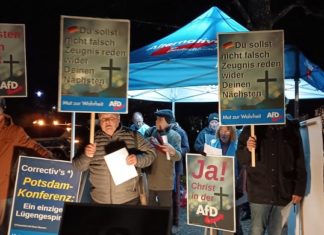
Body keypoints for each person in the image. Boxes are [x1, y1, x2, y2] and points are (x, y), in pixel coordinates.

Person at [236, 114, 307, 235]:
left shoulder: (292, 129)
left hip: (284, 191)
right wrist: (248, 149)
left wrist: (299, 189)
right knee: (256, 231)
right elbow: (241, 159)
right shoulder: (251, 128)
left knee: (278, 232)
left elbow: (299, 161)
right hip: (259, 192)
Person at [72, 112, 156, 205]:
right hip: (99, 201)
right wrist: (86, 155)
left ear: (118, 118)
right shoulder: (91, 139)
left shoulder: (134, 135)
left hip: (129, 200)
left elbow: (152, 153)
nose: (107, 121)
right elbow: (78, 167)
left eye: (111, 117)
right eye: (103, 118)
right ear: (99, 120)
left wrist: (137, 159)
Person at [0, 98, 53, 234]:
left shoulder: (14, 131)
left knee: (3, 229)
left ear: (2, 109)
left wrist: (51, 159)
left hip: (3, 191)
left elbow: (34, 146)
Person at [144, 109, 181, 210]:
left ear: (167, 121)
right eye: (156, 119)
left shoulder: (175, 136)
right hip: (151, 179)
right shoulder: (151, 132)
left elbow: (178, 156)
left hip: (165, 182)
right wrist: (149, 141)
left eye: (160, 119)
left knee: (165, 210)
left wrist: (172, 150)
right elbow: (143, 147)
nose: (156, 121)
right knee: (151, 210)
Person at [170, 121, 190, 234]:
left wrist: (175, 152)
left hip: (176, 168)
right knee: (169, 196)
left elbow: (186, 148)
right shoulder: (162, 131)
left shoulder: (181, 132)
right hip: (166, 168)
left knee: (176, 195)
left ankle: (176, 222)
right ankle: (169, 220)